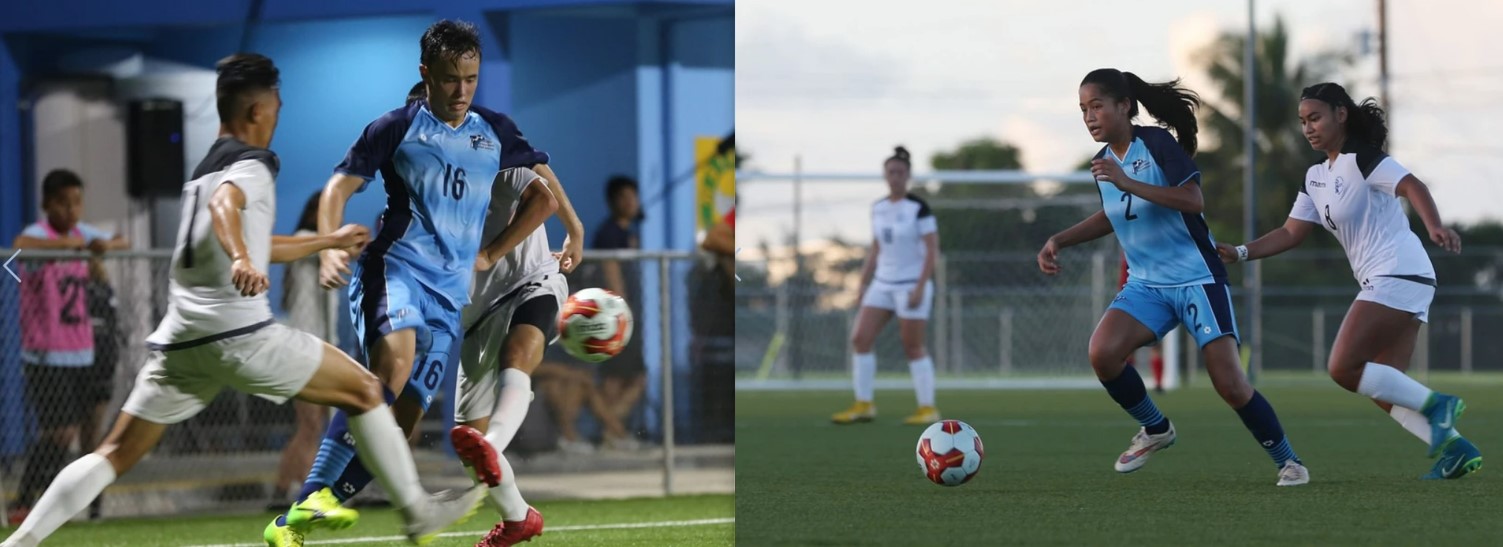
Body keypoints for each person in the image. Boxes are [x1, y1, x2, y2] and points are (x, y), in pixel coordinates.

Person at [1, 53, 491, 547]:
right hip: (238, 334)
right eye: (276, 107)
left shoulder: (202, 171)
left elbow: (249, 235)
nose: (277, 116)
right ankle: (417, 512)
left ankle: (19, 543)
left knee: (112, 453)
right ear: (258, 111)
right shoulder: (254, 164)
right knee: (366, 390)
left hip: (181, 342)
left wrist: (325, 241)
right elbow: (227, 207)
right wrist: (239, 256)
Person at [269, 19, 574, 544]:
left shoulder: (494, 130)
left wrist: (568, 230)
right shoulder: (395, 126)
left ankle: (298, 518)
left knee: (403, 419)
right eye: (451, 78)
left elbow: (543, 184)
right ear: (426, 73)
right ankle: (317, 495)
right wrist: (328, 245)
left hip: (449, 298)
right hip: (396, 270)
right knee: (391, 368)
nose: (461, 91)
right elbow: (337, 188)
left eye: (471, 79)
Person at [1037, 68, 1307, 486]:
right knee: (1103, 353)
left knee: (1230, 384)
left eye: (1097, 106)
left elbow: (1192, 199)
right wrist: (1060, 239)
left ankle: (1289, 461)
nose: (1089, 117)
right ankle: (1156, 429)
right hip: (1146, 285)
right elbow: (1114, 214)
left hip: (1197, 278)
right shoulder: (1103, 163)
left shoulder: (1157, 143)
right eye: (1083, 109)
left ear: (1124, 106)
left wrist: (1128, 182)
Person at [1216, 82, 1479, 480]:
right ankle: (1456, 448)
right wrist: (1240, 252)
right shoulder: (1315, 176)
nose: (1308, 128)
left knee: (1343, 368)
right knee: (1382, 386)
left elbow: (1412, 186)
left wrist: (1435, 226)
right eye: (1303, 121)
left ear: (1341, 115)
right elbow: (1290, 232)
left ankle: (1438, 404)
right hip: (1399, 279)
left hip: (1397, 271)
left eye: (1316, 118)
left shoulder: (1363, 158)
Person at [453, 163, 584, 546]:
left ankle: (493, 445)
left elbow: (542, 192)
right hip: (476, 317)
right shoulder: (423, 182)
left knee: (518, 351)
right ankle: (518, 518)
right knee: (468, 443)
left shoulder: (494, 153)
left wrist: (575, 230)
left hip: (531, 280)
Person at [8, 169, 129, 526]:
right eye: (63, 203)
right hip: (46, 351)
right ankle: (24, 499)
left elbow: (120, 241)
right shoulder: (38, 236)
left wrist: (103, 247)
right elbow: (19, 246)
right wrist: (69, 246)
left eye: (77, 202)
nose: (71, 210)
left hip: (83, 350)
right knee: (61, 434)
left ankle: (83, 506)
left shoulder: (83, 235)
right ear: (47, 204)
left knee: (88, 432)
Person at [831, 146, 941, 426]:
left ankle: (927, 408)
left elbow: (932, 251)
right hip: (882, 283)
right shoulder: (878, 208)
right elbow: (876, 248)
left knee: (912, 345)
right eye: (891, 172)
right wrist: (862, 283)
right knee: (860, 338)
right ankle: (864, 404)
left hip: (910, 284)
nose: (895, 177)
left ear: (908, 175)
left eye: (900, 172)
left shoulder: (919, 208)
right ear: (885, 175)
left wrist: (920, 287)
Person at [267, 193, 340, 508]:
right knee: (311, 425)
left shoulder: (321, 245)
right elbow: (334, 251)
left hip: (320, 344)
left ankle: (283, 488)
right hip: (305, 345)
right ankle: (306, 493)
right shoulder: (305, 240)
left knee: (311, 426)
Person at [591, 175, 647, 448]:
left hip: (627, 315)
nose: (631, 202)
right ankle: (612, 433)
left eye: (633, 197)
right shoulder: (609, 234)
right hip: (617, 316)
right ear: (613, 202)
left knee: (630, 378)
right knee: (618, 379)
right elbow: (611, 273)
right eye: (624, 197)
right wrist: (622, 313)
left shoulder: (628, 232)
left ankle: (611, 432)